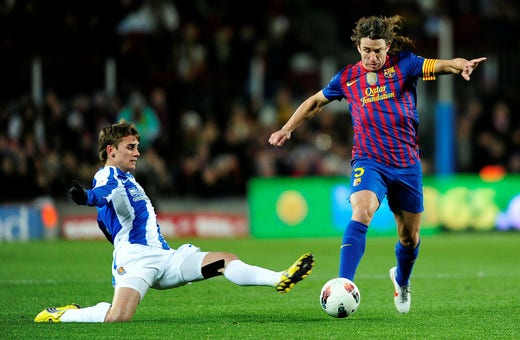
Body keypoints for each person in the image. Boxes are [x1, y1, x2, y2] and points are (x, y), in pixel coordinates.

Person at [268, 15, 486, 314]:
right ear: (358, 47)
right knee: (362, 210)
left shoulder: (405, 64)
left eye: (378, 51)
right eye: (367, 50)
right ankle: (343, 283)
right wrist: (287, 128)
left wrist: (462, 65)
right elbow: (315, 102)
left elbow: (443, 64)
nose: (372, 57)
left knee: (409, 239)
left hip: (406, 164)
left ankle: (402, 278)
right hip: (369, 161)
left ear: (388, 47)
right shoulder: (347, 78)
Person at [35, 119, 314, 323]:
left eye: (137, 146)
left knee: (224, 260)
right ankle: (65, 315)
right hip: (136, 260)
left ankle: (280, 278)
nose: (137, 152)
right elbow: (100, 194)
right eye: (130, 147)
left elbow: (106, 219)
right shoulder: (108, 176)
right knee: (117, 318)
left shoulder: (128, 179)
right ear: (111, 150)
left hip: (166, 257)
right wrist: (85, 197)